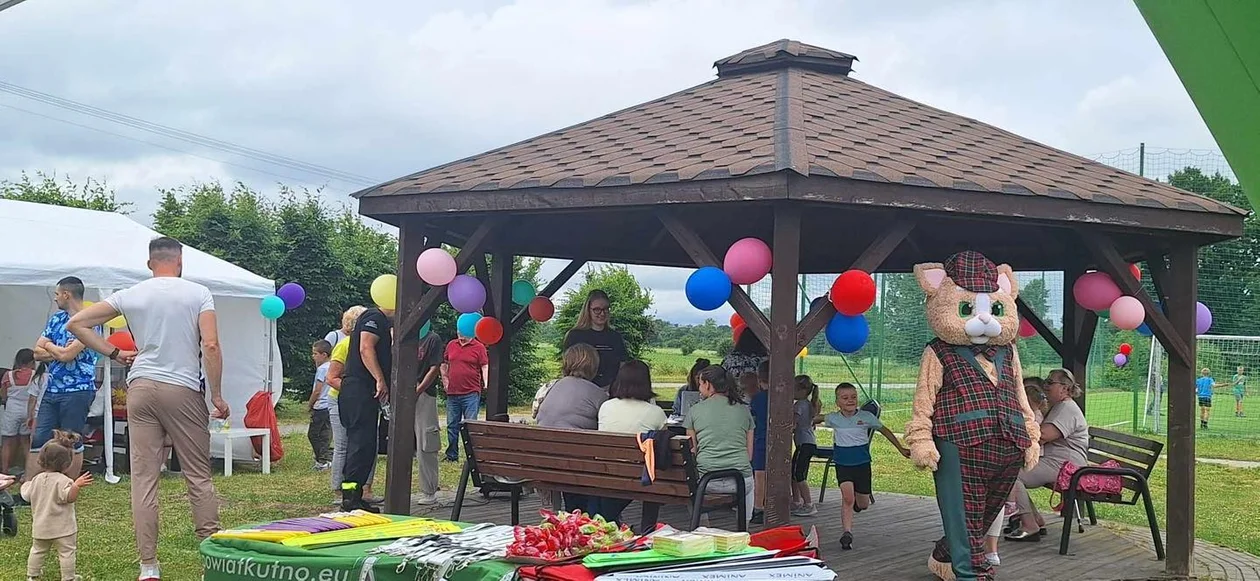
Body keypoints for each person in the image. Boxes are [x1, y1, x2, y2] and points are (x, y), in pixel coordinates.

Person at [68, 236, 228, 581]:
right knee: (197, 475)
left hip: (140, 386)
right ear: (180, 262)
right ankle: (212, 561)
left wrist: (113, 353)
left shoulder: (130, 294)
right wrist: (216, 395)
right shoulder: (199, 293)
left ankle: (148, 566)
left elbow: (76, 324)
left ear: (149, 263)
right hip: (182, 387)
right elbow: (211, 345)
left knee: (144, 479)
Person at [29, 276, 101, 483]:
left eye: (57, 294)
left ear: (67, 295)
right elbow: (36, 352)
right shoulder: (56, 319)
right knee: (40, 437)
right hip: (52, 389)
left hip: (78, 390)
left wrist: (49, 345)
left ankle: (67, 487)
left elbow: (67, 356)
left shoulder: (89, 321)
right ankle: (31, 487)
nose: (55, 298)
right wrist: (58, 350)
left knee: (71, 438)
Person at [1005, 368, 1090, 541]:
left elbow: (1042, 436)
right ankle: (1035, 520)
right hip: (1059, 462)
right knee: (1009, 471)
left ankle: (1029, 524)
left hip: (1066, 467)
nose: (1045, 385)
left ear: (1065, 388)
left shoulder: (1067, 408)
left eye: (1050, 382)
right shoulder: (1060, 407)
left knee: (1011, 475)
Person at [824, 382, 910, 550]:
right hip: (843, 465)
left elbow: (884, 430)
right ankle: (847, 533)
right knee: (847, 498)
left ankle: (858, 505)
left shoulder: (866, 417)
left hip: (862, 465)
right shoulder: (833, 418)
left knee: (862, 504)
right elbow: (816, 418)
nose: (850, 400)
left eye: (853, 397)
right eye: (845, 398)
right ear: (837, 402)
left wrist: (900, 448)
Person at [536, 343, 608, 513]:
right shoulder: (597, 394)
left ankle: (573, 514)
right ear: (593, 366)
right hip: (574, 464)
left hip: (542, 459)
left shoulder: (552, 387)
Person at [593, 360, 667, 523]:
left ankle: (608, 522)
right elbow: (663, 446)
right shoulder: (656, 412)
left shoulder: (606, 407)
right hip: (638, 476)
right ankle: (647, 526)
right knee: (656, 469)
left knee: (604, 507)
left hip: (605, 471)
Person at [338, 303, 394, 512]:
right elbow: (365, 347)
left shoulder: (376, 320)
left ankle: (355, 495)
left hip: (361, 392)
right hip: (359, 391)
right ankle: (350, 498)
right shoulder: (374, 317)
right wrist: (380, 378)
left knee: (366, 446)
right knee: (360, 445)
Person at [683, 365, 755, 525]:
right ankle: (744, 526)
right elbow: (749, 455)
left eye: (700, 384)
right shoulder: (744, 411)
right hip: (740, 481)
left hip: (706, 482)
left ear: (708, 384)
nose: (699, 388)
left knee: (690, 489)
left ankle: (703, 527)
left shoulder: (694, 411)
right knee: (750, 484)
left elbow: (692, 452)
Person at [22, 431, 91, 581]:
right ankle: (68, 577)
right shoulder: (64, 481)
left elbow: (26, 495)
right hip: (63, 528)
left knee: (37, 550)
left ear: (41, 460)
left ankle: (32, 575)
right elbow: (69, 498)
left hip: (41, 527)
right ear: (67, 464)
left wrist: (25, 485)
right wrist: (76, 486)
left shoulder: (36, 479)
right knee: (67, 552)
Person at [326, 307, 375, 505]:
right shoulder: (345, 345)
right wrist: (354, 391)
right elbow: (331, 377)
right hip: (341, 400)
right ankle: (339, 490)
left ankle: (364, 489)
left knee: (365, 444)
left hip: (363, 401)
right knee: (343, 446)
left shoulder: (370, 344)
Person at [562, 290, 628, 387]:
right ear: (588, 310)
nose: (602, 314)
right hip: (581, 389)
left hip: (610, 390)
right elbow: (567, 368)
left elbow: (622, 367)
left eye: (606, 309)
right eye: (597, 310)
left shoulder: (615, 337)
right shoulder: (574, 336)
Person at [441, 328, 488, 462]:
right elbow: (444, 363)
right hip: (453, 392)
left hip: (471, 392)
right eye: (459, 333)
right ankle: (452, 455)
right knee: (452, 425)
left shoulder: (479, 347)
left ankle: (472, 457)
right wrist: (445, 379)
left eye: (463, 334)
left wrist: (486, 382)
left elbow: (484, 366)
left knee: (470, 425)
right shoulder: (451, 345)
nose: (460, 336)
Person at [414, 326, 444, 505]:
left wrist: (419, 389)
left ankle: (429, 490)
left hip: (424, 393)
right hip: (401, 390)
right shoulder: (399, 334)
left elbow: (435, 368)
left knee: (427, 442)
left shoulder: (433, 338)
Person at [2, 349, 43, 474]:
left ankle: (4, 471)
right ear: (32, 361)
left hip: (11, 410)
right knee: (26, 441)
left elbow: (3, 395)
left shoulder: (8, 375)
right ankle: (28, 470)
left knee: (7, 442)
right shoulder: (36, 375)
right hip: (28, 410)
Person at [790, 374, 822, 517]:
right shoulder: (809, 404)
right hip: (807, 443)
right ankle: (796, 501)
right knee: (794, 472)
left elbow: (793, 423)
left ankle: (808, 504)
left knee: (799, 474)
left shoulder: (799, 405)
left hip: (804, 444)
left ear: (801, 390)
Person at [747, 362, 769, 524]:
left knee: (759, 475)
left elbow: (752, 420)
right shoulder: (782, 397)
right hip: (778, 441)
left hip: (760, 439)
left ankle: (758, 507)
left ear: (760, 380)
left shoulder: (757, 399)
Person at [307, 340, 334, 470]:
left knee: (313, 434)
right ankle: (326, 458)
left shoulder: (322, 369)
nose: (313, 356)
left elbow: (317, 390)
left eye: (315, 354)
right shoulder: (333, 366)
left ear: (324, 355)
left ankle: (322, 459)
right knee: (325, 433)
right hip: (330, 404)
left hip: (320, 405)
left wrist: (310, 404)